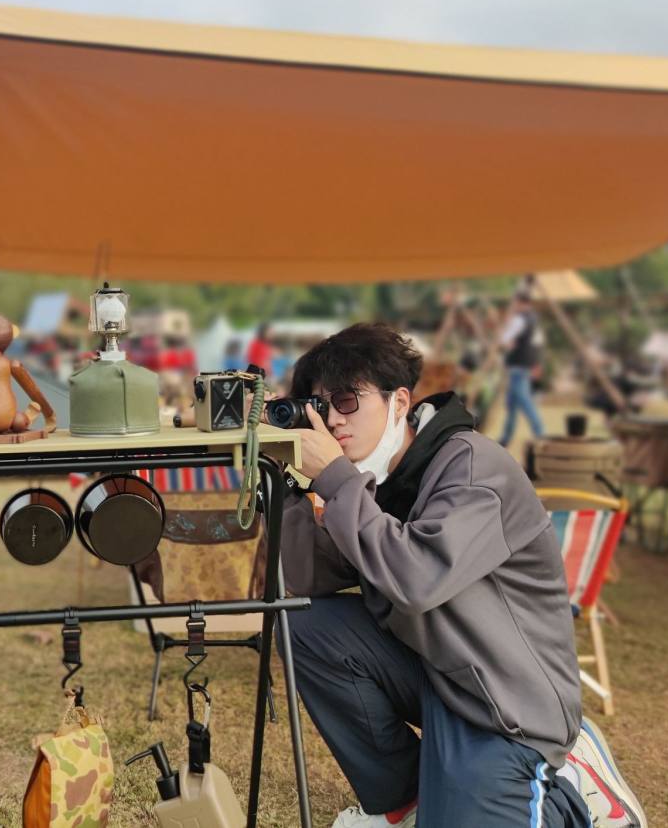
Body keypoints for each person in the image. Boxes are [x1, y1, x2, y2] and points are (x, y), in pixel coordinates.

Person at [275, 323, 646, 828]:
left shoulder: (471, 467)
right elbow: (307, 576)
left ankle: (576, 782)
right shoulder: (377, 479)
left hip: (507, 704)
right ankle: (403, 803)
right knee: (304, 625)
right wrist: (288, 484)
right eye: (320, 407)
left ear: (399, 402)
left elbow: (415, 579)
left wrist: (337, 480)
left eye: (346, 400)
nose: (333, 419)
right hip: (438, 674)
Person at [498, 292, 546, 447]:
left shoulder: (519, 319)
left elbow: (504, 339)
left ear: (520, 302)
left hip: (517, 365)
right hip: (524, 365)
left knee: (525, 402)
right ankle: (506, 438)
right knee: (512, 405)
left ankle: (540, 433)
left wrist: (506, 337)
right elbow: (538, 343)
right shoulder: (534, 320)